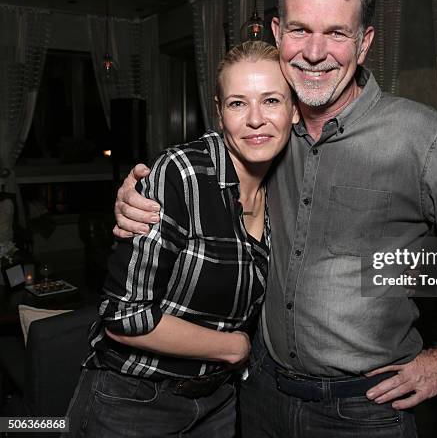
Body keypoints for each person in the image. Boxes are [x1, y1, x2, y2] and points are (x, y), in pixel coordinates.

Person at [113, 0, 437, 437]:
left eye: (336, 33)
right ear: (276, 33)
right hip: (258, 395)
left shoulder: (420, 139)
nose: (315, 52)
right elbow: (187, 179)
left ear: (364, 42)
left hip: (363, 411)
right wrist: (136, 199)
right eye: (299, 30)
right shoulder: (264, 130)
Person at [64, 41, 299, 437]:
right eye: (238, 103)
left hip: (218, 404)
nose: (256, 119)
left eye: (272, 100)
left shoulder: (287, 188)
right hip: (133, 402)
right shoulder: (183, 173)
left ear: (294, 111)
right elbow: (122, 318)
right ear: (220, 113)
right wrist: (231, 347)